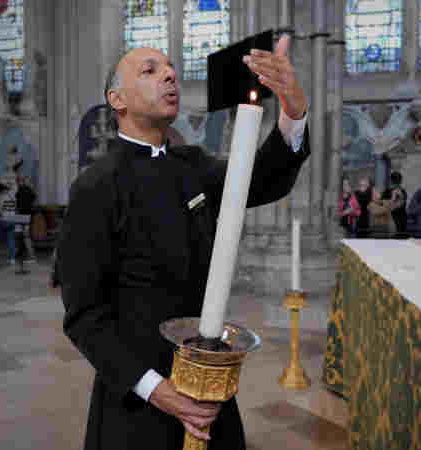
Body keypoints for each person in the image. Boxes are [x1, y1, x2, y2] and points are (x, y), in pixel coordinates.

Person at [58, 35, 310, 450]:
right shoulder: (96, 187)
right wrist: (156, 389)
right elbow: (84, 316)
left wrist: (293, 109)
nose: (170, 74)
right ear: (116, 99)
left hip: (207, 377)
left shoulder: (192, 164)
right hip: (138, 399)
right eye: (150, 70)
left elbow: (260, 178)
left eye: (171, 67)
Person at [15, 174, 37, 263]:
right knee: (25, 236)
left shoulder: (20, 190)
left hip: (22, 215)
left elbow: (17, 202)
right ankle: (26, 255)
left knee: (23, 236)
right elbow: (34, 198)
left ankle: (31, 257)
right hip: (28, 215)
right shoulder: (29, 190)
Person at [0, 183, 17, 264]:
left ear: (1, 190)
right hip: (12, 219)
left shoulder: (1, 197)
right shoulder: (12, 197)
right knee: (11, 239)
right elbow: (15, 207)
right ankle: (12, 259)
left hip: (4, 220)